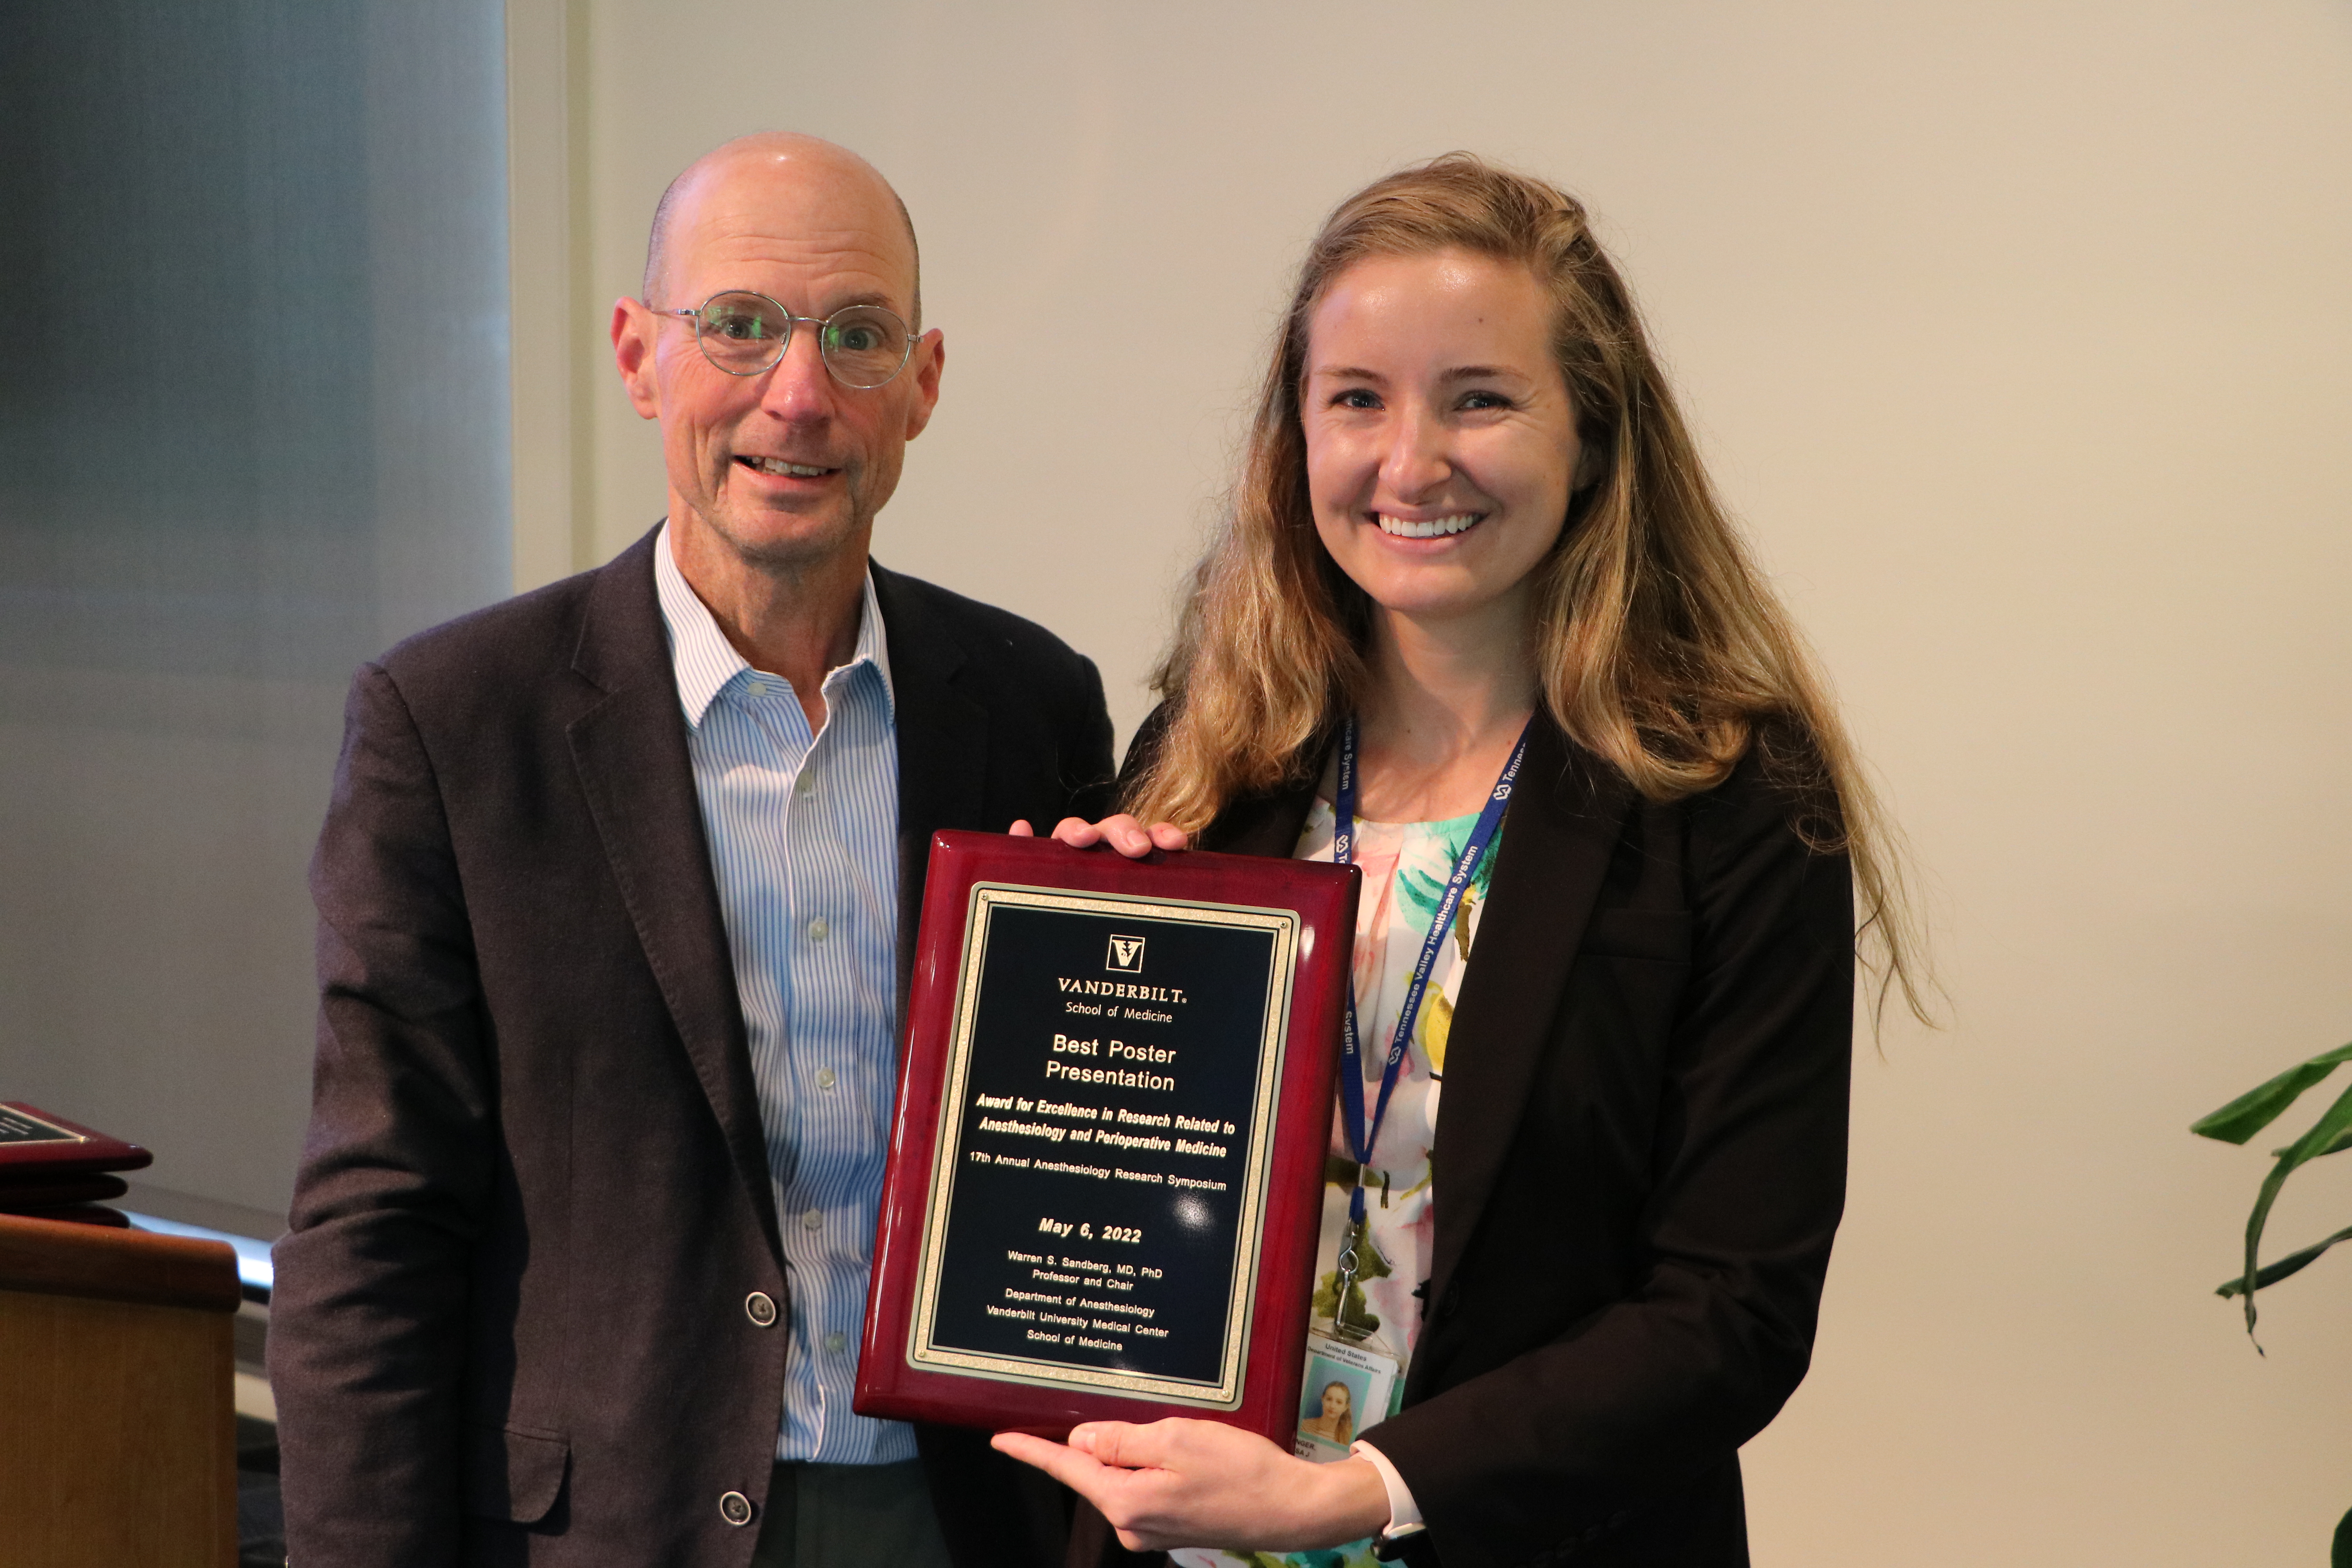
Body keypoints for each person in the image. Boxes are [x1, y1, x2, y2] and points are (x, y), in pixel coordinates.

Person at [997, 154, 1922, 1566]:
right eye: (1355, 398)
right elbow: (1117, 1213)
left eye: (1478, 397)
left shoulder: (1730, 795)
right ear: (1293, 432)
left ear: (1594, 435)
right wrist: (1077, 951)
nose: (1409, 461)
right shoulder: (1208, 761)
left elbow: (1728, 1312)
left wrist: (1349, 1490)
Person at [269, 133, 1114, 1568]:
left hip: (966, 1519)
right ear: (638, 354)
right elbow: (375, 1225)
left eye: (857, 336)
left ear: (921, 385)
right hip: (605, 1530)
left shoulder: (1034, 705)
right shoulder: (456, 721)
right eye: (739, 325)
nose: (799, 393)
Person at [1299, 1382, 1356, 1448]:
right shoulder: (1304, 1426)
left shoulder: (1348, 1438)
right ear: (1323, 1399)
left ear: (1346, 1407)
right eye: (1329, 1399)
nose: (1332, 1406)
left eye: (1339, 1402)